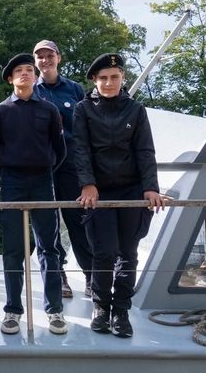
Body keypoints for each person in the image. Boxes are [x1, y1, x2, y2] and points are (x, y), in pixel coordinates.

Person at [74, 53, 166, 338]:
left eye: (114, 77)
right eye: (103, 78)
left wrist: (151, 187)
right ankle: (101, 307)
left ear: (122, 78)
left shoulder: (136, 110)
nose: (109, 82)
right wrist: (87, 184)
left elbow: (145, 150)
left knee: (128, 253)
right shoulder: (83, 109)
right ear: (94, 80)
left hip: (131, 190)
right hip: (98, 191)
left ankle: (121, 311)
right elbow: (81, 150)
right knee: (104, 252)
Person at [0, 53, 67, 335]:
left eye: (29, 70)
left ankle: (55, 310)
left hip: (43, 182)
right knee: (13, 251)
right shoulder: (1, 111)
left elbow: (60, 150)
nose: (25, 74)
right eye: (19, 71)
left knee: (49, 248)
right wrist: (11, 174)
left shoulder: (49, 110)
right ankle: (12, 310)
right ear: (10, 78)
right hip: (12, 183)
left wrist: (42, 169)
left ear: (35, 77)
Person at [33, 40, 93, 298]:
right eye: (40, 57)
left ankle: (92, 276)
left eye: (49, 55)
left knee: (79, 221)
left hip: (70, 165)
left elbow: (85, 129)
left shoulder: (74, 89)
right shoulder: (31, 90)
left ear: (59, 57)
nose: (45, 60)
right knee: (48, 224)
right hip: (42, 166)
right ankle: (59, 276)